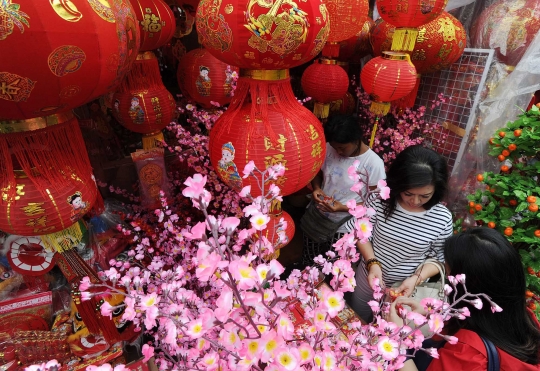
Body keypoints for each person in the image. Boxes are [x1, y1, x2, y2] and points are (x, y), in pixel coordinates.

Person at [390, 227, 540, 370]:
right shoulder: (523, 318)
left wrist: (398, 341)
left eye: (449, 275)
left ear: (469, 288)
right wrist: (432, 313)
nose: (447, 279)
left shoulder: (468, 353)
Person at [349, 145, 453, 322]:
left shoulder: (442, 218)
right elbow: (361, 232)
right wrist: (372, 263)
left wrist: (415, 279)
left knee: (387, 331)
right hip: (369, 277)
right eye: (408, 193)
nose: (415, 201)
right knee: (356, 317)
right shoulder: (380, 200)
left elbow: (441, 260)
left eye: (425, 196)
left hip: (406, 288)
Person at [301, 114, 385, 266]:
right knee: (310, 260)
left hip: (344, 226)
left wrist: (344, 207)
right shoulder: (327, 148)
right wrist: (317, 188)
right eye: (335, 147)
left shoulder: (373, 164)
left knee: (334, 267)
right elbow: (316, 172)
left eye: (342, 148)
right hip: (317, 217)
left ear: (356, 139)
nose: (338, 152)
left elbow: (375, 204)